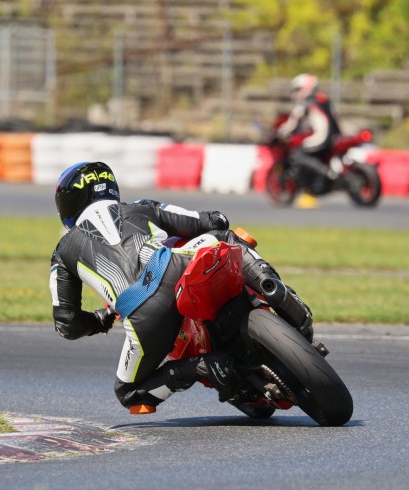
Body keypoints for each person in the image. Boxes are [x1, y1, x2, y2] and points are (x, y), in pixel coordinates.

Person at [49, 161, 312, 412]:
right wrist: (210, 219)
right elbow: (213, 221)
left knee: (128, 393)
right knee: (223, 238)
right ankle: (273, 288)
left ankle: (200, 366)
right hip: (175, 265)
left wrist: (98, 320)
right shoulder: (140, 207)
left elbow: (67, 325)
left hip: (142, 313)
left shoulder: (63, 251)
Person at [277, 73, 342, 194]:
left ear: (306, 88)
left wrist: (280, 132)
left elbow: (291, 124)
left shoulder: (304, 103)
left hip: (321, 138)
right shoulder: (324, 99)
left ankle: (326, 172)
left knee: (296, 154)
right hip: (335, 137)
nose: (296, 93)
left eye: (298, 89)